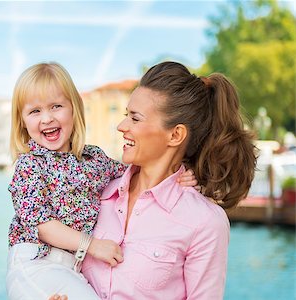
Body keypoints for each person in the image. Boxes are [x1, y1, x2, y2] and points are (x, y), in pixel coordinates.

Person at [5, 62, 197, 299]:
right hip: (35, 264)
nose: (46, 118)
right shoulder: (29, 165)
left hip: (72, 270)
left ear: (74, 109)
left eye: (56, 106)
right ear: (21, 120)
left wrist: (181, 174)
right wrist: (93, 245)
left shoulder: (94, 159)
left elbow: (137, 172)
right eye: (35, 111)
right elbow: (41, 225)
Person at [78, 61, 257, 299]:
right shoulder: (94, 192)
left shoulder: (204, 222)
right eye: (125, 115)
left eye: (135, 118)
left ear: (175, 135)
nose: (122, 126)